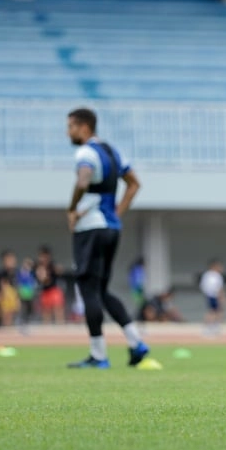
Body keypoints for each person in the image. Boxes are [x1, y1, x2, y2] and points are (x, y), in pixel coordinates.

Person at [65, 107, 149, 369]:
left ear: (84, 127)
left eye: (71, 126)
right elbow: (134, 184)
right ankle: (136, 342)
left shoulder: (86, 153)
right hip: (111, 227)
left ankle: (99, 355)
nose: (68, 132)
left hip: (91, 227)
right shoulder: (113, 151)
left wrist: (72, 209)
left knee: (88, 289)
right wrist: (117, 213)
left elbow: (83, 181)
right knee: (101, 290)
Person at [35, 245, 66, 325]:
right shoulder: (38, 267)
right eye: (41, 256)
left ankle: (61, 326)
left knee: (58, 310)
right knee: (46, 312)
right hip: (45, 292)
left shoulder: (52, 265)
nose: (42, 258)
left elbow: (59, 271)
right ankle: (46, 328)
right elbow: (41, 279)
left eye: (44, 256)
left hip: (54, 291)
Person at [199, 258, 226, 336]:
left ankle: (213, 326)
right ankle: (211, 327)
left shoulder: (207, 275)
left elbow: (203, 286)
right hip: (213, 295)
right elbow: (218, 288)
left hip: (210, 295)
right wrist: (221, 297)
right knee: (214, 311)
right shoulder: (215, 275)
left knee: (214, 311)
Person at [15, 257, 37, 332]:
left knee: (30, 309)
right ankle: (21, 323)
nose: (28, 266)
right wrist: (18, 293)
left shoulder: (31, 273)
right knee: (23, 309)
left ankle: (28, 323)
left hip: (30, 293)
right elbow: (18, 283)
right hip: (23, 293)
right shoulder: (21, 273)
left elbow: (32, 283)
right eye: (27, 264)